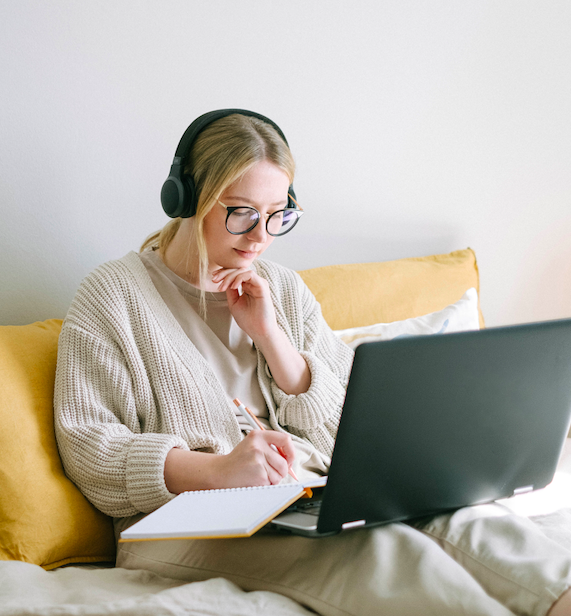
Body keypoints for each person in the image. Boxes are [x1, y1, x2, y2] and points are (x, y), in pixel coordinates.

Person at [53, 109, 571, 616]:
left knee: (473, 522)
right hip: (179, 524)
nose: (261, 236)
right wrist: (219, 471)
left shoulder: (280, 287)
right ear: (187, 199)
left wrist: (271, 337)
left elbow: (350, 420)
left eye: (278, 214)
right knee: (387, 555)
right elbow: (91, 448)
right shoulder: (112, 296)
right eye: (241, 212)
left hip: (308, 498)